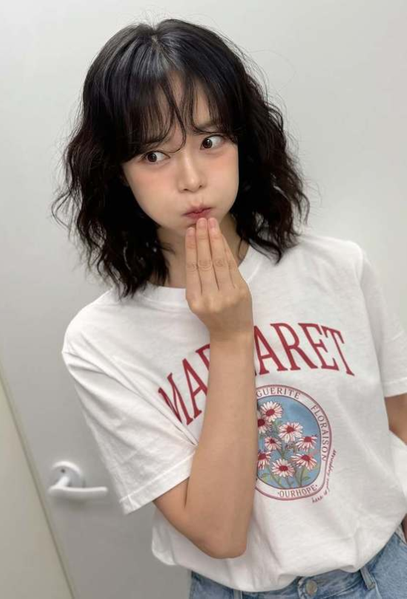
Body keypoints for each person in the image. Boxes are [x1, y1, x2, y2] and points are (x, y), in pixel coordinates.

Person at [51, 17, 407, 597]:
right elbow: (219, 532)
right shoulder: (100, 342)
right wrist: (231, 336)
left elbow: (398, 421)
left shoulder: (338, 269)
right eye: (153, 154)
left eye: (210, 141)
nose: (191, 178)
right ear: (117, 173)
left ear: (245, 140)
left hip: (387, 572)